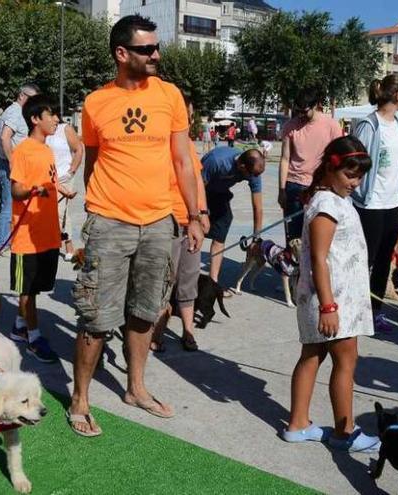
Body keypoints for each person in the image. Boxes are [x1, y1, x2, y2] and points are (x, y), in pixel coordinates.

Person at [68, 14, 203, 437]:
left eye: (156, 47)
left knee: (145, 312)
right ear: (122, 54)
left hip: (160, 222)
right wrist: (102, 209)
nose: (156, 55)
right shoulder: (95, 103)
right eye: (146, 49)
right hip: (109, 223)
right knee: (96, 316)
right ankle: (80, 399)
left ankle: (136, 388)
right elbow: (92, 162)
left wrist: (194, 215)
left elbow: (183, 161)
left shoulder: (170, 96)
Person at [285, 136, 379, 453]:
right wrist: (329, 306)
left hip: (330, 297)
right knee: (346, 360)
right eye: (350, 175)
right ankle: (345, 431)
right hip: (331, 299)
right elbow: (320, 259)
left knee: (312, 355)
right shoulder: (326, 204)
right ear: (331, 168)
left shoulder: (332, 198)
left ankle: (298, 424)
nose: (356, 182)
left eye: (360, 177)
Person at [9, 95, 76, 363]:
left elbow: (47, 179)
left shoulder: (47, 150)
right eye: (52, 115)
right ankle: (33, 338)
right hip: (28, 235)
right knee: (28, 290)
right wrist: (30, 190)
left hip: (48, 231)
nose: (57, 120)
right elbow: (16, 189)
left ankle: (18, 326)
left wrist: (61, 189)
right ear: (36, 119)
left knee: (35, 288)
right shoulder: (23, 150)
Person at [351, 74, 398, 333]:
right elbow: (356, 164)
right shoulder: (369, 125)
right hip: (370, 204)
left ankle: (375, 312)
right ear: (397, 94)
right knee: (365, 260)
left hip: (393, 204)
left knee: (385, 262)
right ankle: (353, 309)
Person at [151, 93, 209, 352]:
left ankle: (188, 331)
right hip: (168, 220)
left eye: (190, 113)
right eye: (186, 112)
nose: (189, 117)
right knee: (167, 279)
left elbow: (197, 181)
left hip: (191, 221)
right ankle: (157, 332)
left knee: (189, 277)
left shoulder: (187, 144)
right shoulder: (160, 145)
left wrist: (202, 212)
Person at [279, 88, 343, 242]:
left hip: (319, 187)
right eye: (298, 110)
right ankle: (294, 265)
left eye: (304, 111)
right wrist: (281, 190)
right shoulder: (290, 126)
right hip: (294, 185)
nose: (300, 115)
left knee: (317, 237)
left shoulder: (332, 125)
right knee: (294, 239)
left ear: (316, 105)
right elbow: (285, 158)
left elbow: (339, 158)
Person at [202, 146, 265, 291]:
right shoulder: (218, 161)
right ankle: (187, 282)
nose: (254, 178)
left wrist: (256, 239)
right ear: (241, 166)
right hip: (201, 189)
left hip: (221, 193)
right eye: (252, 175)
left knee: (221, 232)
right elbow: (197, 186)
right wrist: (201, 213)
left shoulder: (253, 171)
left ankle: (213, 284)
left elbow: (258, 207)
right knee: (195, 233)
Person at [0, 83, 40, 251]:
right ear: (21, 95)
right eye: (31, 99)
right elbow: (4, 137)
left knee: (14, 203)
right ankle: (1, 243)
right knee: (9, 204)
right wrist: (11, 160)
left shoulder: (11, 112)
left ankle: (10, 238)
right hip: (13, 166)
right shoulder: (15, 112)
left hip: (11, 163)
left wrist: (1, 155)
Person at [45, 110, 84, 261]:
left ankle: (54, 246)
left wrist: (72, 170)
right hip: (47, 177)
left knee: (59, 212)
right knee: (60, 212)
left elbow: (78, 149)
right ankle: (68, 244)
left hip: (64, 176)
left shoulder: (64, 129)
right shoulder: (42, 130)